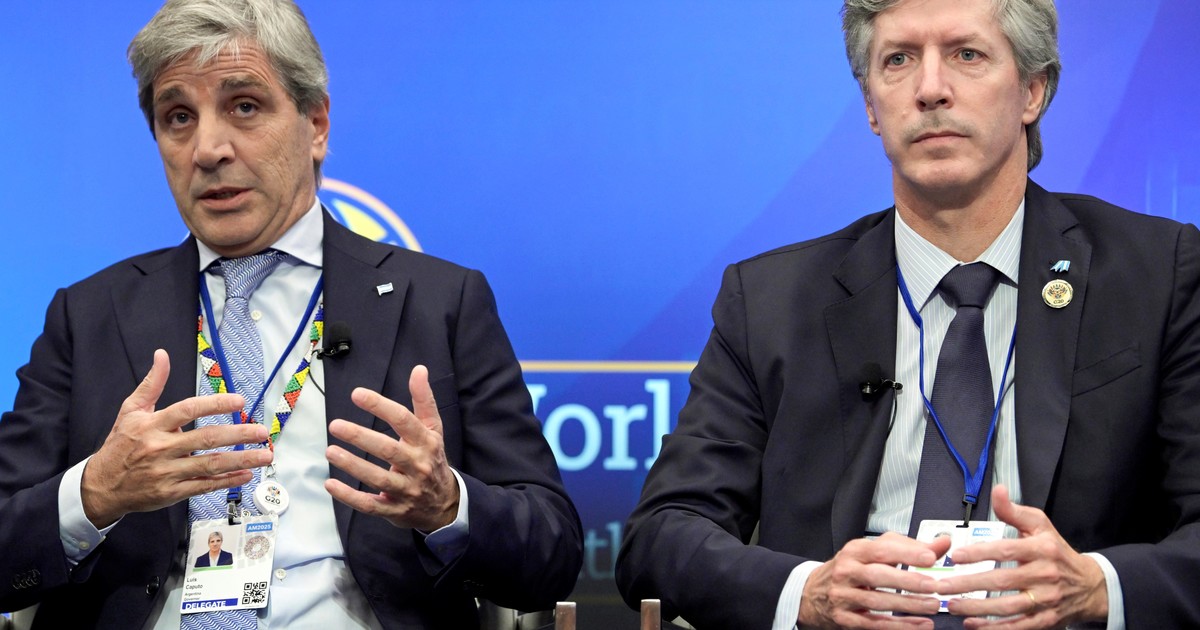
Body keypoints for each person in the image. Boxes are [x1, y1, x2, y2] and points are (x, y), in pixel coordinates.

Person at [616, 0, 1200, 628]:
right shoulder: (770, 302)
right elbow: (662, 535)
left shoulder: (1157, 275)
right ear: (871, 106)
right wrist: (808, 593)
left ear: (1032, 91)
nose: (930, 89)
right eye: (898, 60)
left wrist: (1096, 587)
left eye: (966, 54)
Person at [0, 0, 581, 628]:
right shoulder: (88, 315)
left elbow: (550, 553)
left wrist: (447, 505)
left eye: (244, 106)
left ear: (316, 124)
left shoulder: (442, 302)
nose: (208, 149)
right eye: (178, 117)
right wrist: (93, 493)